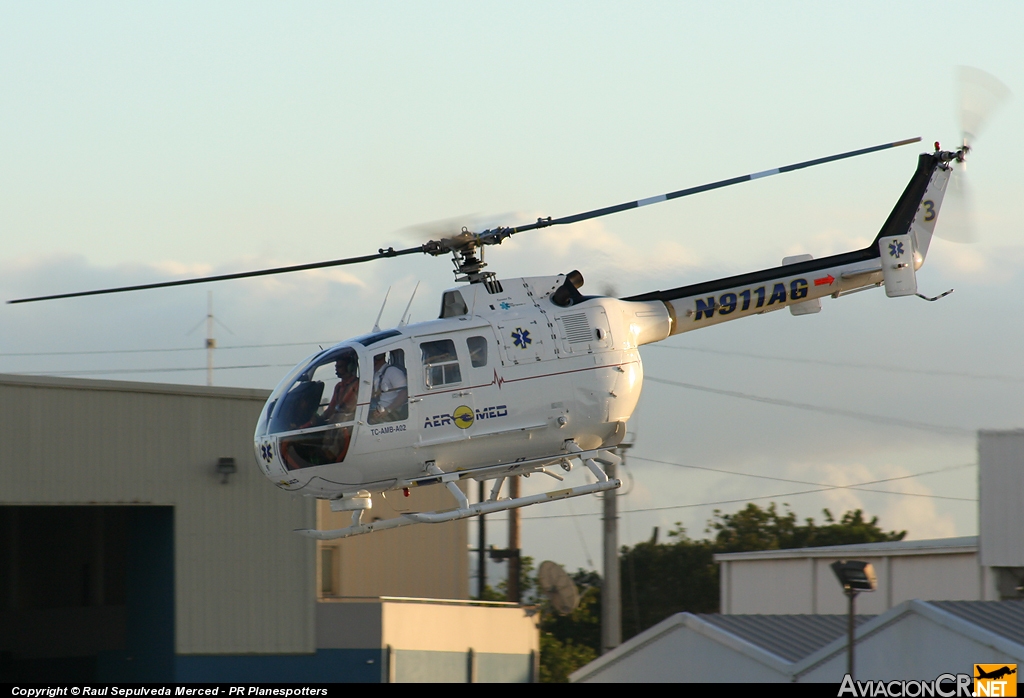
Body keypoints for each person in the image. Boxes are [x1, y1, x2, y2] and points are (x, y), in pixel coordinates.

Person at [369, 352, 407, 423]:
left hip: (392, 412)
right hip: (379, 411)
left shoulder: (392, 371)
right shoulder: (376, 375)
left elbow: (403, 394)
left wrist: (388, 410)